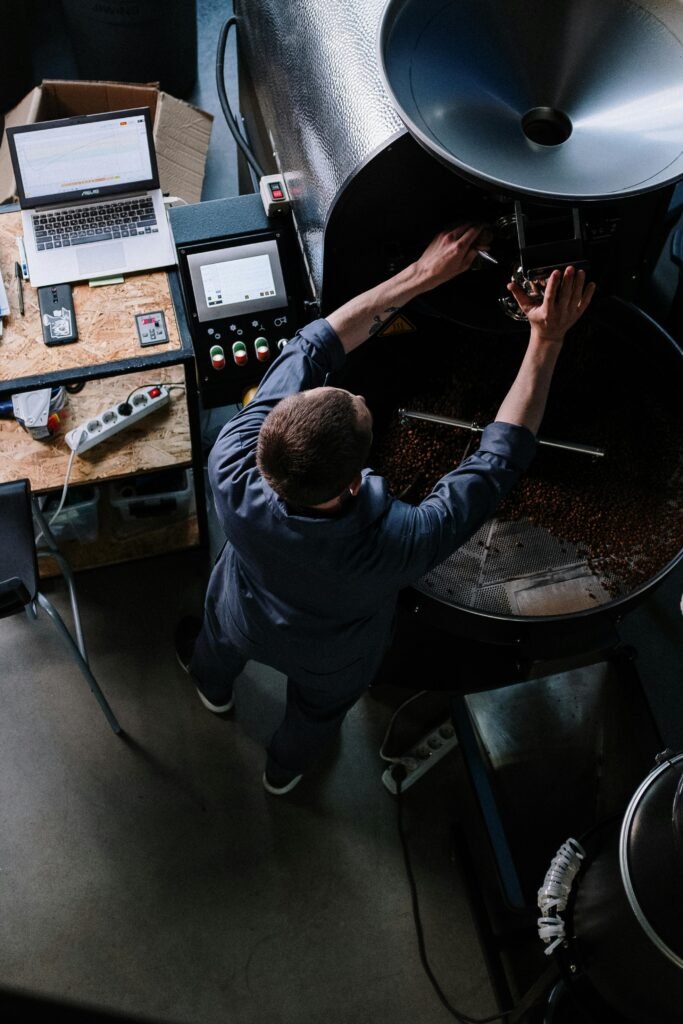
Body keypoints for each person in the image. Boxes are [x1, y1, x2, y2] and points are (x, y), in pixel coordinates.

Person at [174, 224, 595, 795]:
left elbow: (314, 346)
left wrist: (423, 274)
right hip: (334, 659)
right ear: (354, 481)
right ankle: (283, 771)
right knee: (318, 713)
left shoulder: (233, 457)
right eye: (357, 408)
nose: (357, 393)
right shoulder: (397, 542)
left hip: (241, 611)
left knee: (217, 645)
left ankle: (212, 688)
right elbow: (496, 462)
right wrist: (545, 340)